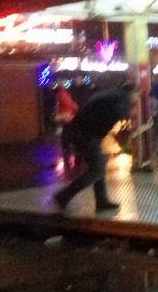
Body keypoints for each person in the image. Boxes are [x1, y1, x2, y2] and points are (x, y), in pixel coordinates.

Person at [53, 81, 137, 213]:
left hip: (79, 131)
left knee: (99, 164)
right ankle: (64, 195)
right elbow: (118, 117)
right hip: (87, 134)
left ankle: (101, 200)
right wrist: (123, 135)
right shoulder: (123, 99)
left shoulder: (110, 93)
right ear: (133, 93)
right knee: (97, 170)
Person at [54, 83, 79, 169]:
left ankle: (66, 146)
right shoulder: (64, 94)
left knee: (66, 131)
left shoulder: (60, 94)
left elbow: (64, 105)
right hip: (68, 115)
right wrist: (75, 109)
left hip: (65, 115)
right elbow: (70, 104)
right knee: (69, 130)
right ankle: (69, 146)